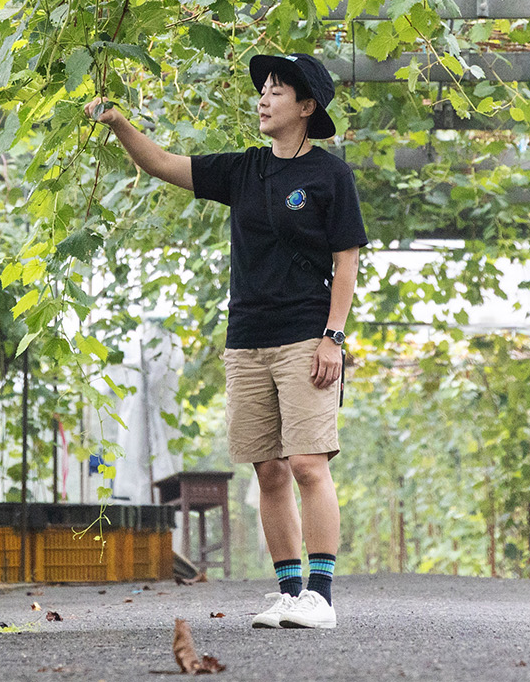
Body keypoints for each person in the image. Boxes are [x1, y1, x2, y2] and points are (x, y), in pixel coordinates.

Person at [87, 51, 367, 631]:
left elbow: (346, 262)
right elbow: (161, 163)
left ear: (306, 106)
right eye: (262, 90)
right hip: (246, 340)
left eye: (276, 91)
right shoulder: (244, 170)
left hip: (305, 336)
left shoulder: (329, 176)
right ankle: (289, 592)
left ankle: (321, 596)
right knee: (268, 469)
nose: (263, 99)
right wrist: (118, 123)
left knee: (308, 463)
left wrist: (332, 338)